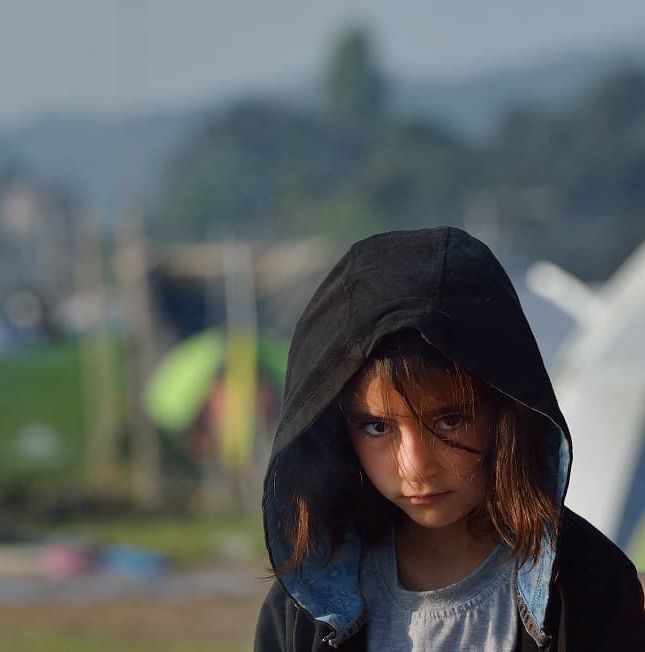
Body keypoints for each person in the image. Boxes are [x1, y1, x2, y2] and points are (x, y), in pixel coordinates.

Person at [255, 227, 645, 651]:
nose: (417, 466)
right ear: (336, 431)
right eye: (378, 427)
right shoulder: (306, 605)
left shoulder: (589, 585)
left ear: (508, 412)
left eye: (450, 420)